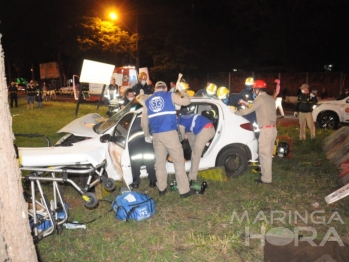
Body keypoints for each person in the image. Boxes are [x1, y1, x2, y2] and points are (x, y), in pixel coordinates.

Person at [141, 73, 195, 198]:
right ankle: (184, 191)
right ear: (165, 88)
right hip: (170, 134)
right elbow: (187, 101)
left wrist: (147, 135)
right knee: (178, 162)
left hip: (156, 136)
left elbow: (144, 123)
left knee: (160, 163)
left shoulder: (147, 101)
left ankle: (162, 189)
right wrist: (182, 90)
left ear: (154, 89)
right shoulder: (170, 95)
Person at [235, 80, 277, 184]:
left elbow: (247, 110)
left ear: (257, 89)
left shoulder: (260, 99)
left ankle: (266, 179)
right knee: (267, 154)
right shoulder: (270, 98)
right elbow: (255, 105)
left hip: (266, 130)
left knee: (264, 154)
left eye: (254, 89)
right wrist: (245, 103)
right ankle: (266, 174)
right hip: (272, 130)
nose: (253, 91)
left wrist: (235, 112)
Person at [177, 107, 215, 186]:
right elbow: (189, 130)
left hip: (205, 130)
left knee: (195, 155)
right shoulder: (186, 116)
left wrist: (180, 137)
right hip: (207, 128)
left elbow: (181, 138)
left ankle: (191, 179)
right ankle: (199, 157)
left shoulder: (180, 123)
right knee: (191, 138)